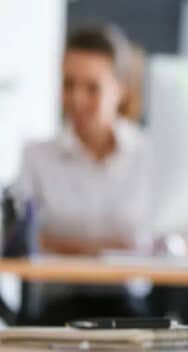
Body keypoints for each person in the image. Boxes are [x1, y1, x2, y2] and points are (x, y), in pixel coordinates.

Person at [9, 23, 154, 323]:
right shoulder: (37, 156)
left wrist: (65, 246)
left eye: (92, 87)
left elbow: (163, 239)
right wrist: (106, 251)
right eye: (68, 84)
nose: (76, 99)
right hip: (56, 306)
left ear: (121, 89)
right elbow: (23, 239)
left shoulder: (149, 155)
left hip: (131, 306)